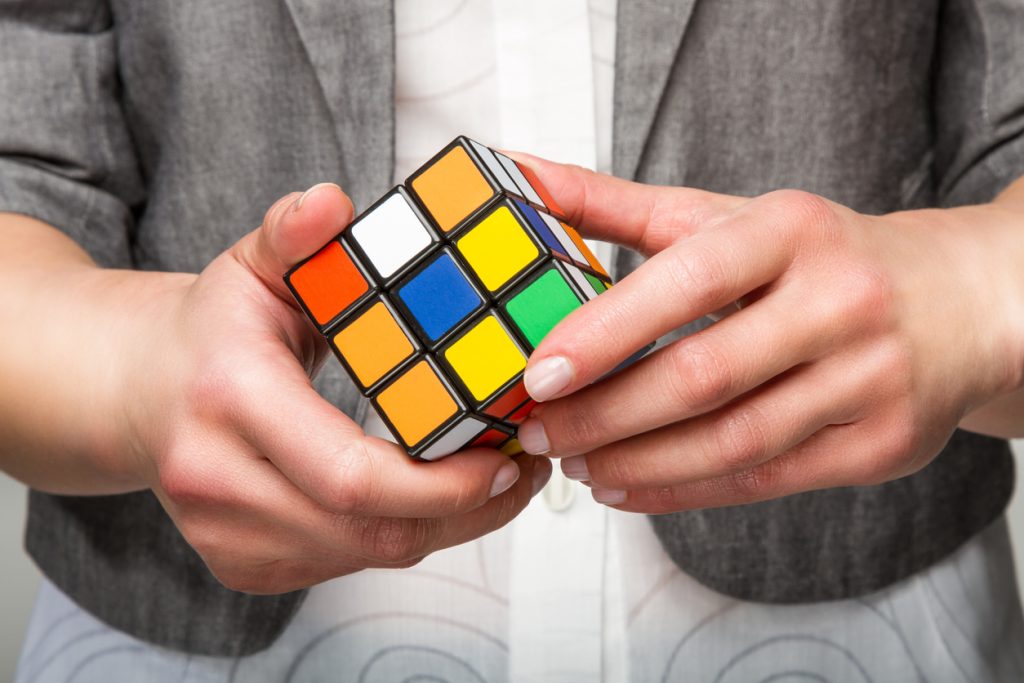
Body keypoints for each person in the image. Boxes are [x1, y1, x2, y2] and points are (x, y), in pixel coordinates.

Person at [3, 0, 1024, 680]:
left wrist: (977, 291)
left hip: (863, 630)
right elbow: (24, 168)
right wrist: (136, 372)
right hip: (186, 636)